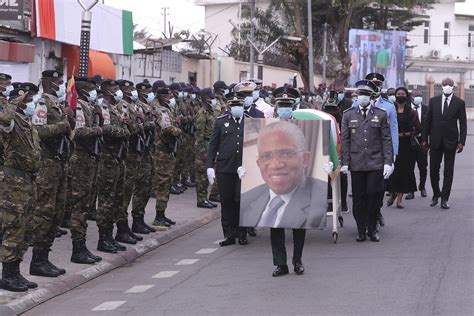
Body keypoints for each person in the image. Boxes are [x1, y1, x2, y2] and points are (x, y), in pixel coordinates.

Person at [29, 70, 73, 277]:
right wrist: (60, 126)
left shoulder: (57, 104)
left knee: (57, 212)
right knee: (45, 212)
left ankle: (45, 257)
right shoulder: (42, 104)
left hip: (60, 163)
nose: (61, 85)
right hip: (47, 164)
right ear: (47, 82)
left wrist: (68, 121)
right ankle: (37, 260)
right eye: (58, 81)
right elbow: (37, 131)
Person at [341, 80, 393, 242]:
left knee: (374, 195)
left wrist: (388, 162)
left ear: (371, 97)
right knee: (358, 198)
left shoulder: (381, 114)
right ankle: (361, 229)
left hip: (376, 161)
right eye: (360, 95)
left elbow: (386, 139)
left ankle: (372, 228)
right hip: (357, 163)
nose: (362, 98)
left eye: (365, 95)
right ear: (356, 97)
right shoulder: (348, 114)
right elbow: (345, 140)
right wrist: (344, 162)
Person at [0, 87, 41, 291]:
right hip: (13, 183)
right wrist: (14, 102)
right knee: (13, 228)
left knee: (26, 228)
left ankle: (16, 271)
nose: (32, 103)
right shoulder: (11, 122)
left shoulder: (27, 121)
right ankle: (7, 275)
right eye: (28, 99)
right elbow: (5, 120)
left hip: (29, 181)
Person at [67, 77, 103, 264]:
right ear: (82, 91)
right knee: (79, 207)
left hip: (88, 161)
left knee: (85, 206)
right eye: (91, 89)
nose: (94, 92)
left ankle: (82, 247)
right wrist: (97, 129)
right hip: (80, 161)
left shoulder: (89, 106)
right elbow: (78, 132)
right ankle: (77, 249)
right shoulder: (79, 106)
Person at [207, 91, 250, 247]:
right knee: (227, 202)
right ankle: (229, 234)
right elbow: (213, 145)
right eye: (234, 105)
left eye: (239, 105)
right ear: (229, 106)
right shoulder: (221, 122)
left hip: (245, 169)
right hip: (225, 168)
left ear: (243, 106)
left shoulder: (251, 122)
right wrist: (209, 166)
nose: (236, 107)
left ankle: (242, 232)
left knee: (242, 202)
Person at [95, 79, 130, 253]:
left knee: (117, 198)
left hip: (118, 157)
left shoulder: (115, 108)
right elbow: (107, 129)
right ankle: (103, 238)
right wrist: (125, 130)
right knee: (106, 199)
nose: (119, 91)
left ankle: (111, 235)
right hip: (107, 158)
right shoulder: (103, 107)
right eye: (116, 89)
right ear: (108, 91)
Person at [422, 78, 467, 209]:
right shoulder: (434, 101)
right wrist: (424, 140)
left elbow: (463, 124)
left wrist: (462, 142)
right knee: (433, 170)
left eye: (450, 85)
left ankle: (445, 198)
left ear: (453, 87)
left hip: (451, 142)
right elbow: (427, 122)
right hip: (435, 141)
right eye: (445, 84)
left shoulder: (459, 103)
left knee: (448, 171)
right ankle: (436, 194)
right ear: (441, 86)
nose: (447, 86)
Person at [386, 87, 421, 208]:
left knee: (404, 172)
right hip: (392, 145)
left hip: (407, 146)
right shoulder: (390, 110)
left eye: (403, 93)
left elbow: (418, 129)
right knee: (393, 171)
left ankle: (400, 198)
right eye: (398, 93)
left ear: (406, 96)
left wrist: (405, 134)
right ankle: (393, 193)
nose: (400, 95)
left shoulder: (412, 112)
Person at [152, 86, 181, 227]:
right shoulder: (161, 111)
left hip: (167, 151)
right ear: (163, 98)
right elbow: (167, 128)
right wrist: (178, 129)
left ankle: (162, 214)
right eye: (169, 96)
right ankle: (159, 216)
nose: (171, 99)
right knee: (163, 183)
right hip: (162, 152)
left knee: (167, 182)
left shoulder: (167, 109)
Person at [131, 81, 157, 234]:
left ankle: (140, 219)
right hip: (139, 152)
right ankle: (136, 221)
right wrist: (148, 123)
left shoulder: (148, 107)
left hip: (148, 151)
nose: (150, 93)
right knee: (140, 187)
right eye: (147, 91)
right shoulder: (136, 107)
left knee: (146, 187)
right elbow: (136, 126)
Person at [194, 88, 218, 209]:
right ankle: (201, 200)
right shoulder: (202, 114)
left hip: (209, 145)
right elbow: (199, 135)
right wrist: (202, 151)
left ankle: (205, 198)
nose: (212, 99)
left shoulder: (210, 112)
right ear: (204, 98)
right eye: (210, 97)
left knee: (207, 175)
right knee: (202, 176)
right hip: (203, 147)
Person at [406, 90, 428, 199]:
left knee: (423, 167)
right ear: (411, 97)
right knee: (409, 167)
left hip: (422, 142)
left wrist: (427, 141)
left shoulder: (426, 109)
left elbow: (429, 126)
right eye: (416, 96)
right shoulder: (406, 108)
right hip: (409, 140)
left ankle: (422, 186)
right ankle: (411, 190)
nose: (418, 97)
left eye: (420, 95)